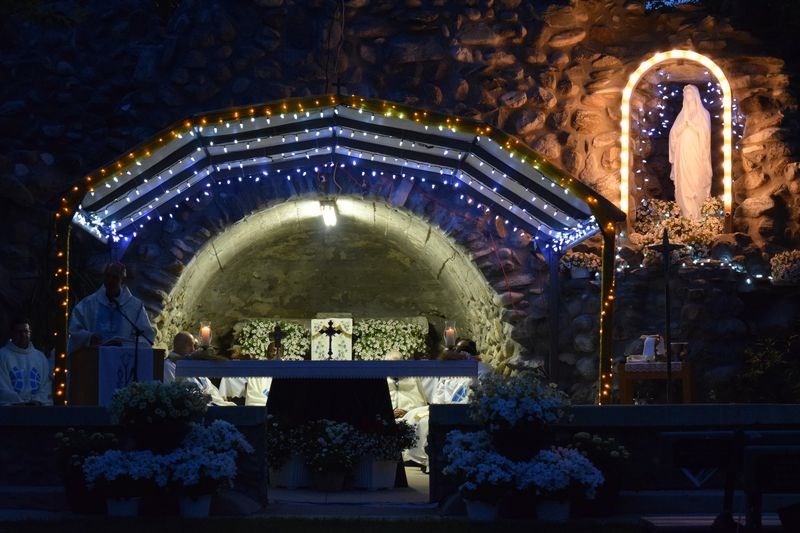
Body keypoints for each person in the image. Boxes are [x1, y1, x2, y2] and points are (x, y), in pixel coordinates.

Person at [67, 262, 155, 354]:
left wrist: (126, 344)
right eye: (107, 276)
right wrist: (89, 337)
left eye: (115, 277)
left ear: (123, 280)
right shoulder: (88, 304)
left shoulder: (135, 306)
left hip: (123, 360)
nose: (110, 281)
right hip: (94, 359)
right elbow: (75, 329)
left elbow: (146, 336)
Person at [669, 84, 712, 220]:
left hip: (696, 151)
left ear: (695, 96)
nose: (687, 97)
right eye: (685, 94)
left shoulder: (703, 114)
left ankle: (697, 213)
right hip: (682, 152)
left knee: (695, 178)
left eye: (689, 94)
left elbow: (705, 134)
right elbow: (673, 133)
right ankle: (686, 213)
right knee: (683, 181)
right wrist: (682, 127)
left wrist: (692, 126)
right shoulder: (681, 116)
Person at [163, 331, 234, 406]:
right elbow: (175, 391)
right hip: (195, 407)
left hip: (213, 403)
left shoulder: (192, 363)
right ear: (178, 345)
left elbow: (209, 387)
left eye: (194, 346)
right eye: (190, 345)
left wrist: (220, 398)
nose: (193, 350)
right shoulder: (169, 366)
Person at [0, 317, 53, 406]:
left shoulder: (40, 357)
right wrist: (19, 402)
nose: (23, 335)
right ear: (11, 333)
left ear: (30, 333)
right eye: (19, 332)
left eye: (26, 331)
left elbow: (46, 384)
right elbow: (2, 385)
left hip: (37, 409)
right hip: (11, 411)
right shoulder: (2, 355)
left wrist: (37, 400)